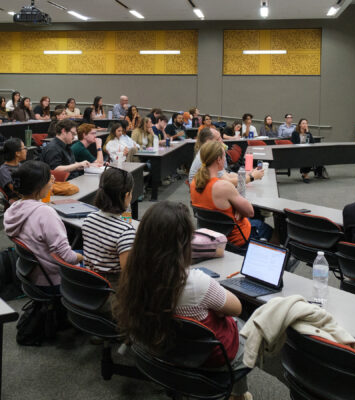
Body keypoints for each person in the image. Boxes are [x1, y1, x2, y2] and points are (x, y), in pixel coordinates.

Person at [113, 201, 254, 400]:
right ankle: (238, 395)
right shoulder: (195, 282)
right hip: (207, 357)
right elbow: (237, 308)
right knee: (246, 327)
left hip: (159, 347)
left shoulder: (134, 273)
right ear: (185, 241)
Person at [4, 160, 83, 291]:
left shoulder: (14, 209)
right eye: (49, 180)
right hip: (54, 280)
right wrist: (84, 257)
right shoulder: (45, 214)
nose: (52, 182)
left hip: (33, 275)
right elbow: (68, 258)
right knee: (94, 257)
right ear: (39, 186)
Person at [190, 141, 273, 247]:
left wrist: (234, 206)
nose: (225, 160)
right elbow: (250, 212)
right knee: (268, 229)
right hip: (237, 238)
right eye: (224, 156)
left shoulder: (194, 183)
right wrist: (237, 207)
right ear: (219, 160)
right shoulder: (224, 187)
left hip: (212, 236)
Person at [82, 167, 135, 288]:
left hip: (89, 285)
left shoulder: (88, 219)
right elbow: (129, 276)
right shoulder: (125, 232)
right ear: (127, 195)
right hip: (111, 291)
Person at [189, 127, 264, 185]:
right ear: (209, 142)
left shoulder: (207, 151)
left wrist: (248, 174)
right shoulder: (210, 155)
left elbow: (226, 174)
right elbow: (228, 182)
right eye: (218, 138)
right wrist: (252, 177)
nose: (222, 141)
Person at [291, 118, 326, 183]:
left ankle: (305, 174)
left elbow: (312, 142)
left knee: (315, 155)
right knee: (307, 157)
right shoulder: (295, 133)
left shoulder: (308, 133)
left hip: (307, 150)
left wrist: (307, 133)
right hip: (298, 151)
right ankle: (305, 175)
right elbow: (293, 143)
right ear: (299, 125)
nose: (305, 125)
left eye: (306, 123)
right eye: (303, 123)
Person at [0, 138, 27, 203]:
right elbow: (16, 190)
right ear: (17, 153)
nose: (26, 150)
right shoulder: (4, 170)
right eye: (24, 148)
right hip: (17, 202)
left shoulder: (19, 165)